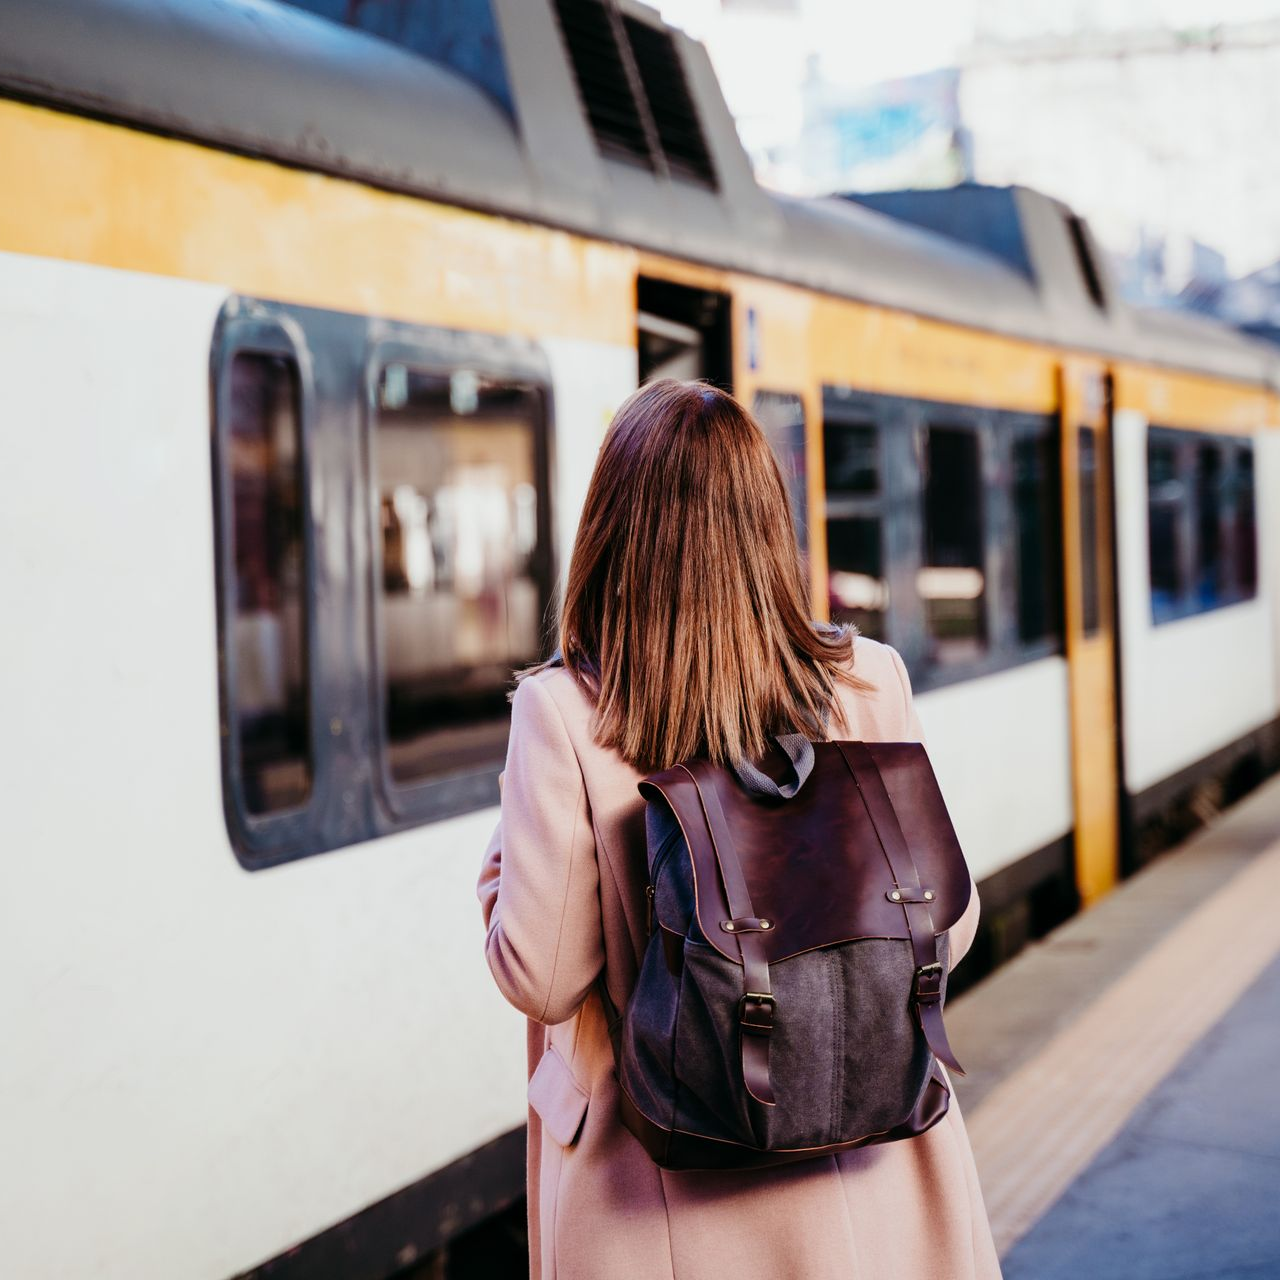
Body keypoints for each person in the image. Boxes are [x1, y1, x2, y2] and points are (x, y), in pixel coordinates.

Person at [477, 379, 1000, 1279]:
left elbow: (546, 976)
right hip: (879, 1188)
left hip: (665, 1208)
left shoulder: (566, 712)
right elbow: (946, 929)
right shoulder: (869, 679)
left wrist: (498, 865)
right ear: (769, 524)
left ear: (608, 531)